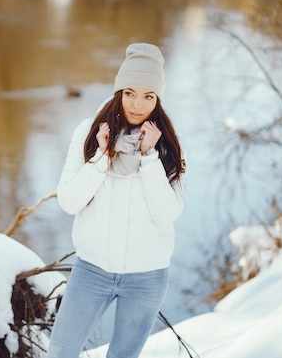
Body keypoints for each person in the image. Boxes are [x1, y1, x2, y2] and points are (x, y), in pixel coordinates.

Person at [47, 43, 186, 358]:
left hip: (147, 276)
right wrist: (101, 157)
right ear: (119, 92)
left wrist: (150, 156)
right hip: (92, 269)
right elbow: (69, 202)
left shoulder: (169, 145)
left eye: (148, 96)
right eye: (130, 93)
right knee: (60, 352)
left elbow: (167, 214)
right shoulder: (90, 132)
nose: (137, 104)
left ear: (158, 99)